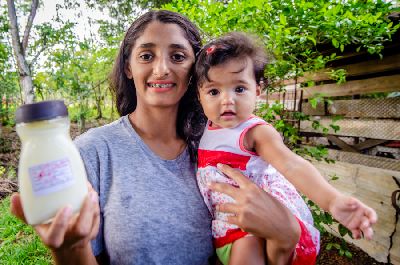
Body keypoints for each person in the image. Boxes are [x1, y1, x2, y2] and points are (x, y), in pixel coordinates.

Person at [10, 10, 305, 265]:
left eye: (178, 56)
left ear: (197, 70)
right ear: (129, 66)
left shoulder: (223, 148)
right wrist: (69, 248)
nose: (162, 69)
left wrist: (285, 236)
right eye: (146, 55)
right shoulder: (93, 151)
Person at [194, 32, 378, 265]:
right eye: (214, 91)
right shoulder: (207, 128)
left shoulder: (254, 132)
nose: (227, 100)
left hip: (249, 225)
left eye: (239, 89)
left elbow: (291, 164)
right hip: (223, 221)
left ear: (257, 90)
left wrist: (331, 201)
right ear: (200, 96)